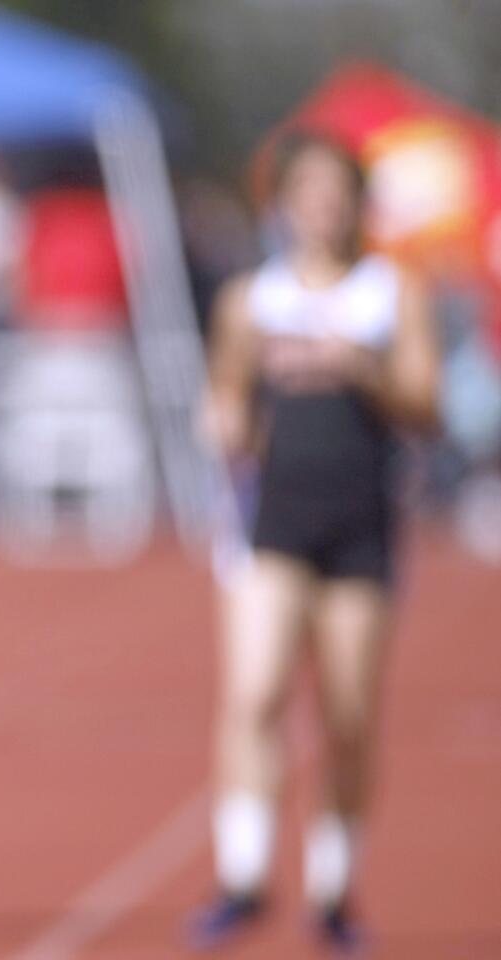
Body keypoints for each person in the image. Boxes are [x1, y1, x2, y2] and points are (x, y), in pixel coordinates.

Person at [194, 130, 439, 952]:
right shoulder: (249, 300)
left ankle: (334, 889)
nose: (321, 206)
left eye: (336, 190)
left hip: (359, 522)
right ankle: (243, 874)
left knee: (347, 711)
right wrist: (224, 422)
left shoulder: (389, 292)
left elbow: (426, 406)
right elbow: (225, 397)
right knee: (254, 693)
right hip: (271, 524)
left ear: (355, 204)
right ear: (284, 202)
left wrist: (361, 369)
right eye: (307, 189)